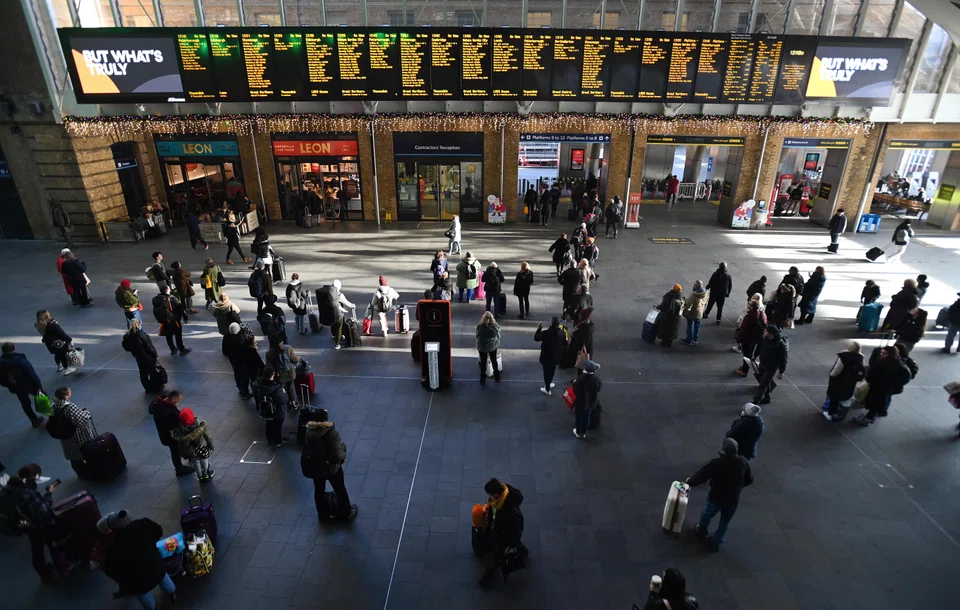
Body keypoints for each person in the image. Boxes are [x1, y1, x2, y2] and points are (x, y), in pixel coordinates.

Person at [0, 464, 74, 584]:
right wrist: (49, 494)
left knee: (37, 549)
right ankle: (62, 567)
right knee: (53, 545)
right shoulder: (27, 494)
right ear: (32, 477)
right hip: (40, 525)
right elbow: (43, 511)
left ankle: (44, 574)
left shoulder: (12, 486)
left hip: (25, 524)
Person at [686, 437, 753, 551]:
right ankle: (716, 541)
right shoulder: (743, 461)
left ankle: (701, 532)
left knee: (707, 514)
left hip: (716, 497)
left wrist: (689, 482)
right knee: (725, 521)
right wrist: (738, 487)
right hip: (733, 499)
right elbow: (749, 480)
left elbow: (702, 476)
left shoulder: (717, 462)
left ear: (724, 450)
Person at [100, 510, 177, 609]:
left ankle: (151, 608)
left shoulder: (113, 548)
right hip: (155, 567)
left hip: (137, 582)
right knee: (163, 577)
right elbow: (159, 531)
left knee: (142, 595)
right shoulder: (144, 524)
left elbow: (112, 570)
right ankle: (172, 595)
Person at [303, 409, 358, 521]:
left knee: (319, 490)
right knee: (340, 489)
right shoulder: (331, 433)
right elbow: (339, 454)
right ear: (325, 419)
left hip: (316, 467)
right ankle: (346, 512)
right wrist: (343, 451)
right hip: (331, 467)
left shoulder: (308, 431)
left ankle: (323, 515)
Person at [478, 478, 528, 588]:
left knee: (498, 552)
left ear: (496, 493)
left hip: (504, 534)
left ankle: (491, 573)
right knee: (513, 543)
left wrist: (508, 540)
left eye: (490, 494)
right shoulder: (505, 491)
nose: (489, 497)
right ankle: (523, 550)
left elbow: (513, 529)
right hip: (504, 530)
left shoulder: (507, 510)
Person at [854, 345, 912, 426]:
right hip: (886, 388)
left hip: (879, 387)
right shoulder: (898, 362)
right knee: (880, 401)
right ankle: (877, 413)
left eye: (885, 353)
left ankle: (869, 418)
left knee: (875, 403)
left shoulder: (882, 364)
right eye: (882, 352)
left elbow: (871, 375)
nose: (882, 354)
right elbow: (906, 376)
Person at [49, 387, 95, 476]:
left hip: (66, 436)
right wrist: (87, 413)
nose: (71, 392)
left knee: (73, 455)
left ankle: (80, 472)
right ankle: (92, 470)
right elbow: (81, 419)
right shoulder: (69, 407)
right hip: (78, 436)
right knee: (86, 451)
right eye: (69, 392)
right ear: (66, 396)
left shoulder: (53, 406)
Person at [148, 391, 194, 477]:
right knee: (175, 451)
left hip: (163, 434)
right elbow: (177, 424)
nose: (179, 402)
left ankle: (181, 465)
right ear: (173, 399)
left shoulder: (157, 404)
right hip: (170, 435)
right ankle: (179, 469)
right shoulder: (169, 411)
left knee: (175, 450)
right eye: (178, 400)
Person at [0, 342, 46, 427]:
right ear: (13, 348)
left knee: (25, 403)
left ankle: (34, 420)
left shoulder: (1, 362)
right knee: (43, 397)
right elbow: (31, 372)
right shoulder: (20, 360)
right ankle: (52, 415)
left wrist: (8, 385)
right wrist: (38, 385)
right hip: (29, 384)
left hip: (15, 386)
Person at [170, 407, 214, 481]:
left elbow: (180, 445)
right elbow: (208, 437)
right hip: (202, 448)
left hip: (190, 451)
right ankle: (206, 474)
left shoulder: (180, 431)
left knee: (196, 462)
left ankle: (200, 476)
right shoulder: (200, 426)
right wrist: (211, 447)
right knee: (204, 460)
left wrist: (184, 454)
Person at [824, 342, 865, 421]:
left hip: (840, 380)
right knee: (845, 394)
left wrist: (831, 375)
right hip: (851, 382)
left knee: (834, 397)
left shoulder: (844, 356)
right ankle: (841, 410)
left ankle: (830, 414)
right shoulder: (861, 358)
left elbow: (836, 371)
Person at [121, 319, 163, 393]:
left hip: (138, 357)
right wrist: (154, 354)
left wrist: (132, 350)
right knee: (152, 371)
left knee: (143, 372)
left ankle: (147, 387)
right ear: (139, 324)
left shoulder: (127, 335)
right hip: (147, 356)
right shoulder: (142, 334)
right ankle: (156, 387)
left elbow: (125, 346)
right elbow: (149, 346)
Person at [252, 366, 288, 446]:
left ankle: (269, 439)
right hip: (277, 411)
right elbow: (283, 400)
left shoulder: (258, 385)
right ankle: (278, 441)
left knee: (268, 423)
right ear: (273, 374)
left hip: (265, 409)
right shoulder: (277, 388)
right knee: (277, 426)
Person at [753, 325, 788, 405]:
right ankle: (767, 397)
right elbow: (759, 347)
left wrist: (781, 372)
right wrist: (755, 355)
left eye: (766, 331)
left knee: (762, 384)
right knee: (765, 382)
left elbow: (783, 359)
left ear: (771, 334)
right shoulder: (764, 339)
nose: (764, 332)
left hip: (771, 367)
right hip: (762, 364)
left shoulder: (780, 345)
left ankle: (755, 401)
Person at [152, 285, 191, 356]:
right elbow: (180, 307)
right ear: (167, 290)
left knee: (168, 335)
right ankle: (181, 349)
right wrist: (185, 317)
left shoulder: (157, 299)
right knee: (178, 334)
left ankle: (172, 349)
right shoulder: (171, 298)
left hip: (164, 320)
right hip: (174, 319)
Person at [535, 316, 566, 396]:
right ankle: (549, 382)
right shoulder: (562, 333)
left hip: (546, 356)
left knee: (546, 372)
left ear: (551, 323)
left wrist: (539, 329)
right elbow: (564, 343)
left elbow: (536, 338)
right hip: (556, 356)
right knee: (552, 370)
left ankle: (547, 388)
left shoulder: (546, 333)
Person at [734, 300, 767, 377]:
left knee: (746, 355)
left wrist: (739, 340)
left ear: (752, 307)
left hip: (748, 339)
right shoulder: (762, 314)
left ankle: (744, 370)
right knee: (750, 352)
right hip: (756, 338)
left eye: (749, 305)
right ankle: (746, 367)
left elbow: (743, 330)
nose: (747, 305)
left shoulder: (749, 317)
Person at [36, 310, 74, 374]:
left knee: (57, 354)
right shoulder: (53, 325)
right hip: (60, 343)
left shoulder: (38, 325)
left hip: (50, 344)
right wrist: (70, 340)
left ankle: (59, 366)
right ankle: (66, 369)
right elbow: (62, 333)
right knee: (63, 355)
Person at [266, 339, 301, 407]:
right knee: (290, 387)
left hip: (279, 375)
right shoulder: (288, 348)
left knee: (282, 389)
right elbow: (295, 360)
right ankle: (293, 403)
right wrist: (299, 358)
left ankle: (286, 403)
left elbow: (269, 366)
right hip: (290, 373)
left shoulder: (269, 353)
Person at [571, 360, 601, 439]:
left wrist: (574, 383)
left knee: (578, 416)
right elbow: (598, 388)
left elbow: (575, 390)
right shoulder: (596, 379)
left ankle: (578, 431)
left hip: (580, 402)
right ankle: (583, 432)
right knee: (586, 417)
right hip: (590, 402)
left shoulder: (581, 379)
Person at [327, 279, 356, 350]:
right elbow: (347, 303)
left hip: (331, 312)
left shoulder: (329, 293)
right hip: (338, 313)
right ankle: (338, 343)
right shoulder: (340, 295)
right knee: (339, 327)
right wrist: (353, 305)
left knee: (333, 324)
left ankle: (333, 335)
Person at [565, 308, 595, 373]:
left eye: (581, 315)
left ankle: (580, 380)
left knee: (581, 365)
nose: (579, 316)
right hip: (578, 348)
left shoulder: (586, 329)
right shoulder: (583, 323)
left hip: (581, 350)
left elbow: (587, 342)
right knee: (579, 365)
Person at [476, 312, 501, 385]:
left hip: (482, 346)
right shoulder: (495, 326)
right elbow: (498, 335)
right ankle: (497, 376)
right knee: (494, 360)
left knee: (483, 362)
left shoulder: (480, 326)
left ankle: (482, 379)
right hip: (492, 346)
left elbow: (477, 336)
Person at [681, 280, 708, 345]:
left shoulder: (693, 296)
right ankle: (695, 339)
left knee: (690, 325)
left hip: (692, 313)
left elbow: (688, 305)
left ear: (695, 286)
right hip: (700, 312)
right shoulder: (705, 294)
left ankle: (689, 340)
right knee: (697, 326)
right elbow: (706, 302)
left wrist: (685, 313)